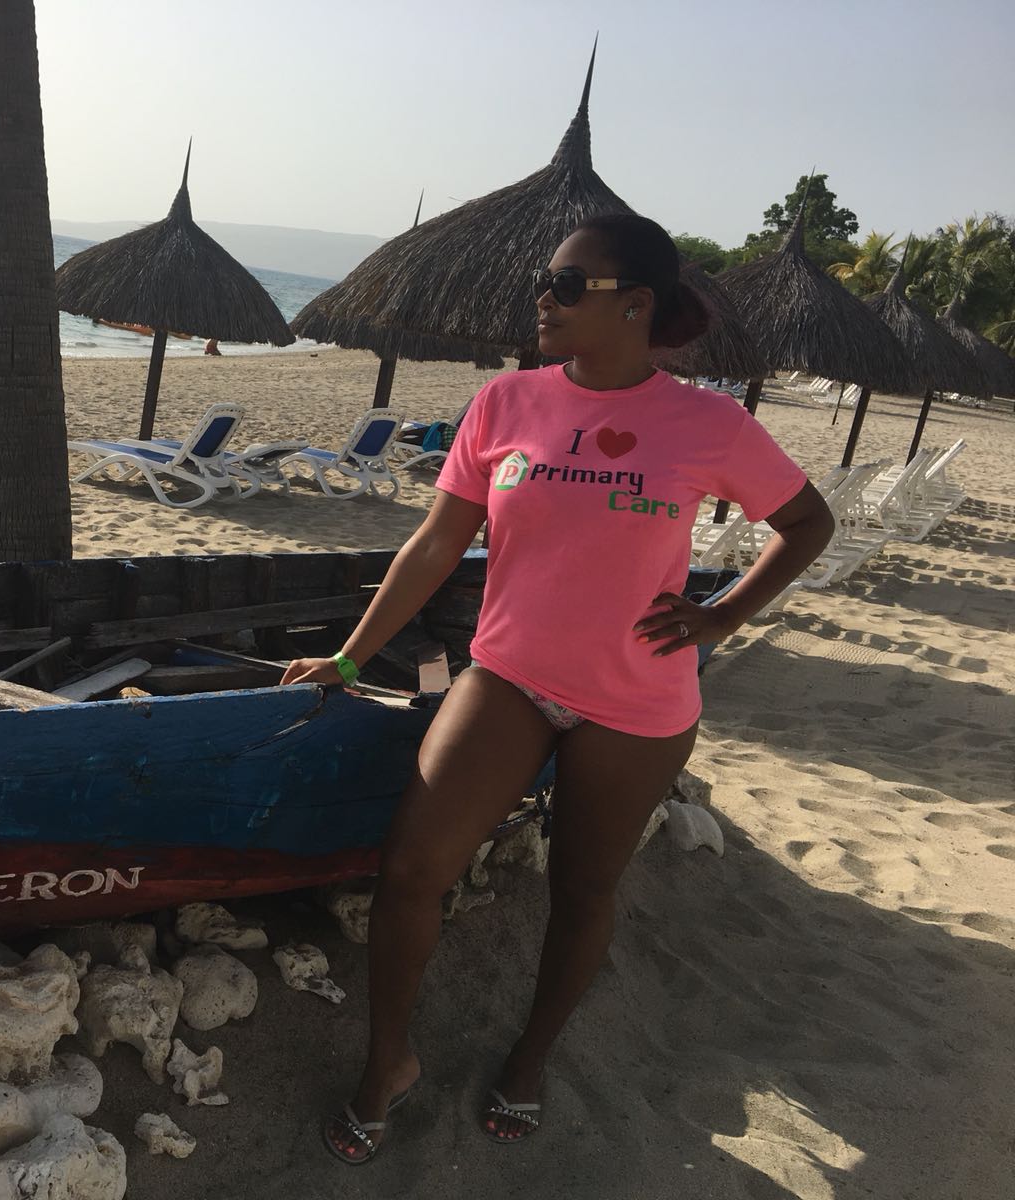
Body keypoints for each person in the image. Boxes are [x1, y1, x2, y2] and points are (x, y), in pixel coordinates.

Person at [294, 213, 835, 1163]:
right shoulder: (507, 401)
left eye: (569, 284)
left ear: (636, 305)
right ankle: (388, 1063)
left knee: (583, 891)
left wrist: (722, 615)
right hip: (511, 674)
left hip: (638, 704)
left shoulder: (710, 423)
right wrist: (347, 658)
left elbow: (807, 523)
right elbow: (436, 543)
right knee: (413, 867)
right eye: (545, 281)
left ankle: (531, 1059)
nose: (544, 297)